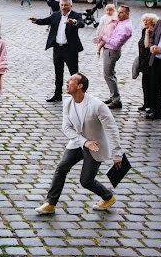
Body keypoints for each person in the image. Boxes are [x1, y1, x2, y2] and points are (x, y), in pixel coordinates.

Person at [35, 73, 123, 215]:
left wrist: (117, 154)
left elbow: (112, 129)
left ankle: (108, 197)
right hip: (78, 142)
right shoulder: (67, 103)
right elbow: (66, 127)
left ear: (80, 86)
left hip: (96, 146)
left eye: (71, 80)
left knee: (86, 181)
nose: (67, 82)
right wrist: (84, 142)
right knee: (62, 167)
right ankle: (50, 203)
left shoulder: (97, 105)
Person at [30, 0, 85, 102]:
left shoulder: (76, 15)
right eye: (62, 5)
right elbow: (46, 20)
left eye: (66, 5)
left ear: (71, 6)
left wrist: (73, 22)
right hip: (57, 48)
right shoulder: (56, 15)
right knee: (58, 72)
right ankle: (57, 95)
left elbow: (81, 23)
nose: (64, 7)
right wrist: (36, 21)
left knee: (74, 74)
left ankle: (78, 95)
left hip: (70, 49)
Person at [97, 5, 133, 110]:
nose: (118, 14)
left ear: (127, 14)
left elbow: (116, 43)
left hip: (112, 51)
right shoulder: (121, 22)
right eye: (119, 12)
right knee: (110, 74)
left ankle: (116, 100)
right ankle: (113, 96)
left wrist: (103, 37)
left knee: (108, 75)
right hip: (109, 50)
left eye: (122, 12)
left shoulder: (126, 27)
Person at [136, 13, 158, 113]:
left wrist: (147, 34)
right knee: (145, 83)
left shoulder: (154, 32)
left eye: (147, 20)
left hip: (151, 61)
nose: (145, 22)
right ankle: (146, 103)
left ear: (152, 21)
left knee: (152, 84)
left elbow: (146, 45)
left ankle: (152, 105)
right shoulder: (144, 30)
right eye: (144, 20)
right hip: (143, 61)